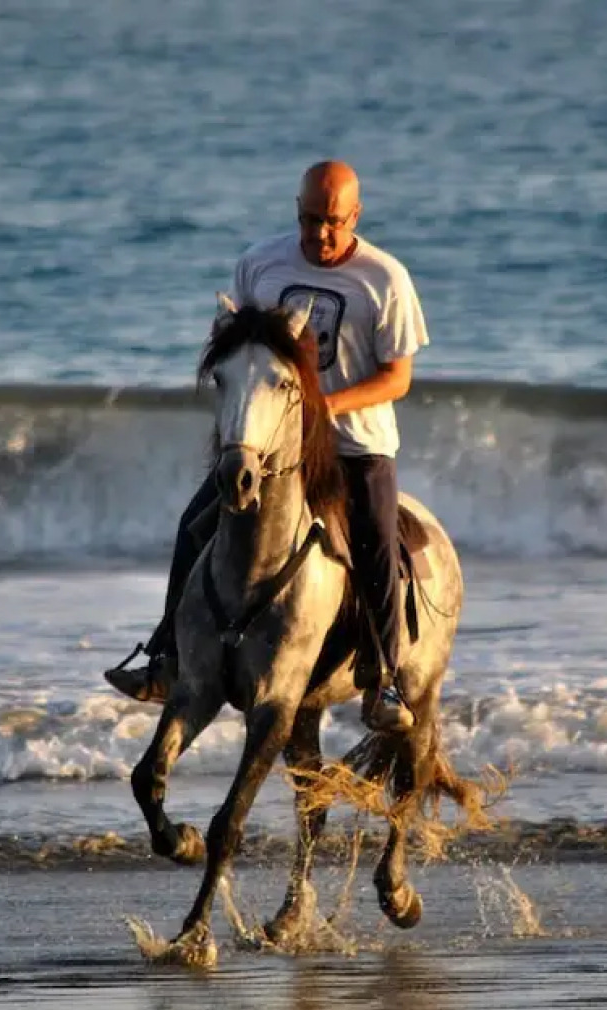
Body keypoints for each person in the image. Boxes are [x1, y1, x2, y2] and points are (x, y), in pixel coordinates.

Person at [106, 160, 428, 711]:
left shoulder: (385, 279)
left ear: (356, 215)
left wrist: (325, 408)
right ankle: (167, 661)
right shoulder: (260, 265)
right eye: (308, 220)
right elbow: (232, 348)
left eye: (332, 222)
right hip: (275, 446)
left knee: (375, 540)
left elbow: (398, 378)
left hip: (353, 441)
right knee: (194, 525)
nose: (319, 234)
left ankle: (387, 682)